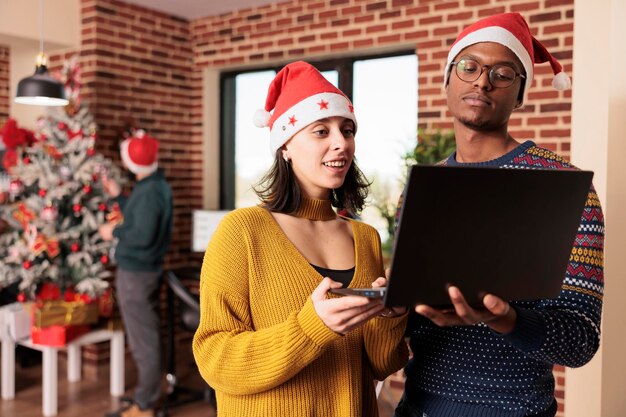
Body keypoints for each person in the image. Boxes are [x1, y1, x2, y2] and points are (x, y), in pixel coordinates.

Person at [395, 12, 605, 417]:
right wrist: (392, 306)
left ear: (520, 94)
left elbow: (581, 339)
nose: (482, 81)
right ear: (447, 80)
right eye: (469, 67)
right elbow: (411, 322)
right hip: (418, 408)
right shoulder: (423, 190)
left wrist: (508, 319)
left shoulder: (562, 187)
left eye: (503, 73)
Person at [192, 61, 408, 417]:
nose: (342, 143)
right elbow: (216, 360)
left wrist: (392, 316)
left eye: (347, 130)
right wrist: (312, 328)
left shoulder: (365, 237)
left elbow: (380, 364)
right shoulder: (242, 231)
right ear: (286, 146)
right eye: (321, 131)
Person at [99, 131, 173, 417]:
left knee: (144, 338)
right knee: (145, 335)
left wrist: (113, 231)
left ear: (132, 161)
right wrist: (120, 197)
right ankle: (148, 395)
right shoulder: (151, 186)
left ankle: (145, 404)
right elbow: (142, 216)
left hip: (137, 273)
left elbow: (141, 234)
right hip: (142, 271)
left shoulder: (151, 191)